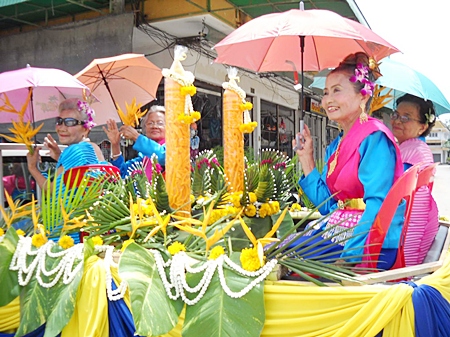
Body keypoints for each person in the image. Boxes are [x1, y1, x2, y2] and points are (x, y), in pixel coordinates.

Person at [291, 52, 404, 269]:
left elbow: (378, 205)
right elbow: (328, 207)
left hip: (370, 245)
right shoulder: (336, 145)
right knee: (275, 251)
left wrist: (350, 257)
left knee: (284, 257)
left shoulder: (375, 138)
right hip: (339, 232)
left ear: (363, 96)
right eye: (325, 93)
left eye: (337, 91)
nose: (327, 100)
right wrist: (307, 160)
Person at [390, 94, 439, 266]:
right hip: (418, 227)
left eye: (406, 117)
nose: (397, 120)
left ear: (422, 127)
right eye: (395, 114)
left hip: (409, 235)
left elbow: (392, 193)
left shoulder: (412, 152)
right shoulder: (415, 147)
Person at [27, 98, 106, 191]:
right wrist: (60, 157)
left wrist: (32, 167)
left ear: (86, 129)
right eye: (59, 121)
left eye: (70, 122)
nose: (62, 128)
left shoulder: (75, 150)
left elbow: (51, 191)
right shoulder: (94, 148)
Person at [103, 105, 166, 179]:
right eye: (150, 123)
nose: (154, 126)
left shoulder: (174, 148)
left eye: (160, 123)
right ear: (145, 128)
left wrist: (137, 137)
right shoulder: (143, 159)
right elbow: (121, 174)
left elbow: (162, 156)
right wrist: (115, 145)